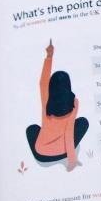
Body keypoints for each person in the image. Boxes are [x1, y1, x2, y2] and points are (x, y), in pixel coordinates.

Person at [25, 40, 88, 170]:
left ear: (51, 87)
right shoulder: (73, 104)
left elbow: (43, 83)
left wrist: (49, 56)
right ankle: (62, 156)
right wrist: (71, 161)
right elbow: (69, 132)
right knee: (83, 122)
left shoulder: (47, 100)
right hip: (64, 151)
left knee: (31, 129)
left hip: (42, 155)